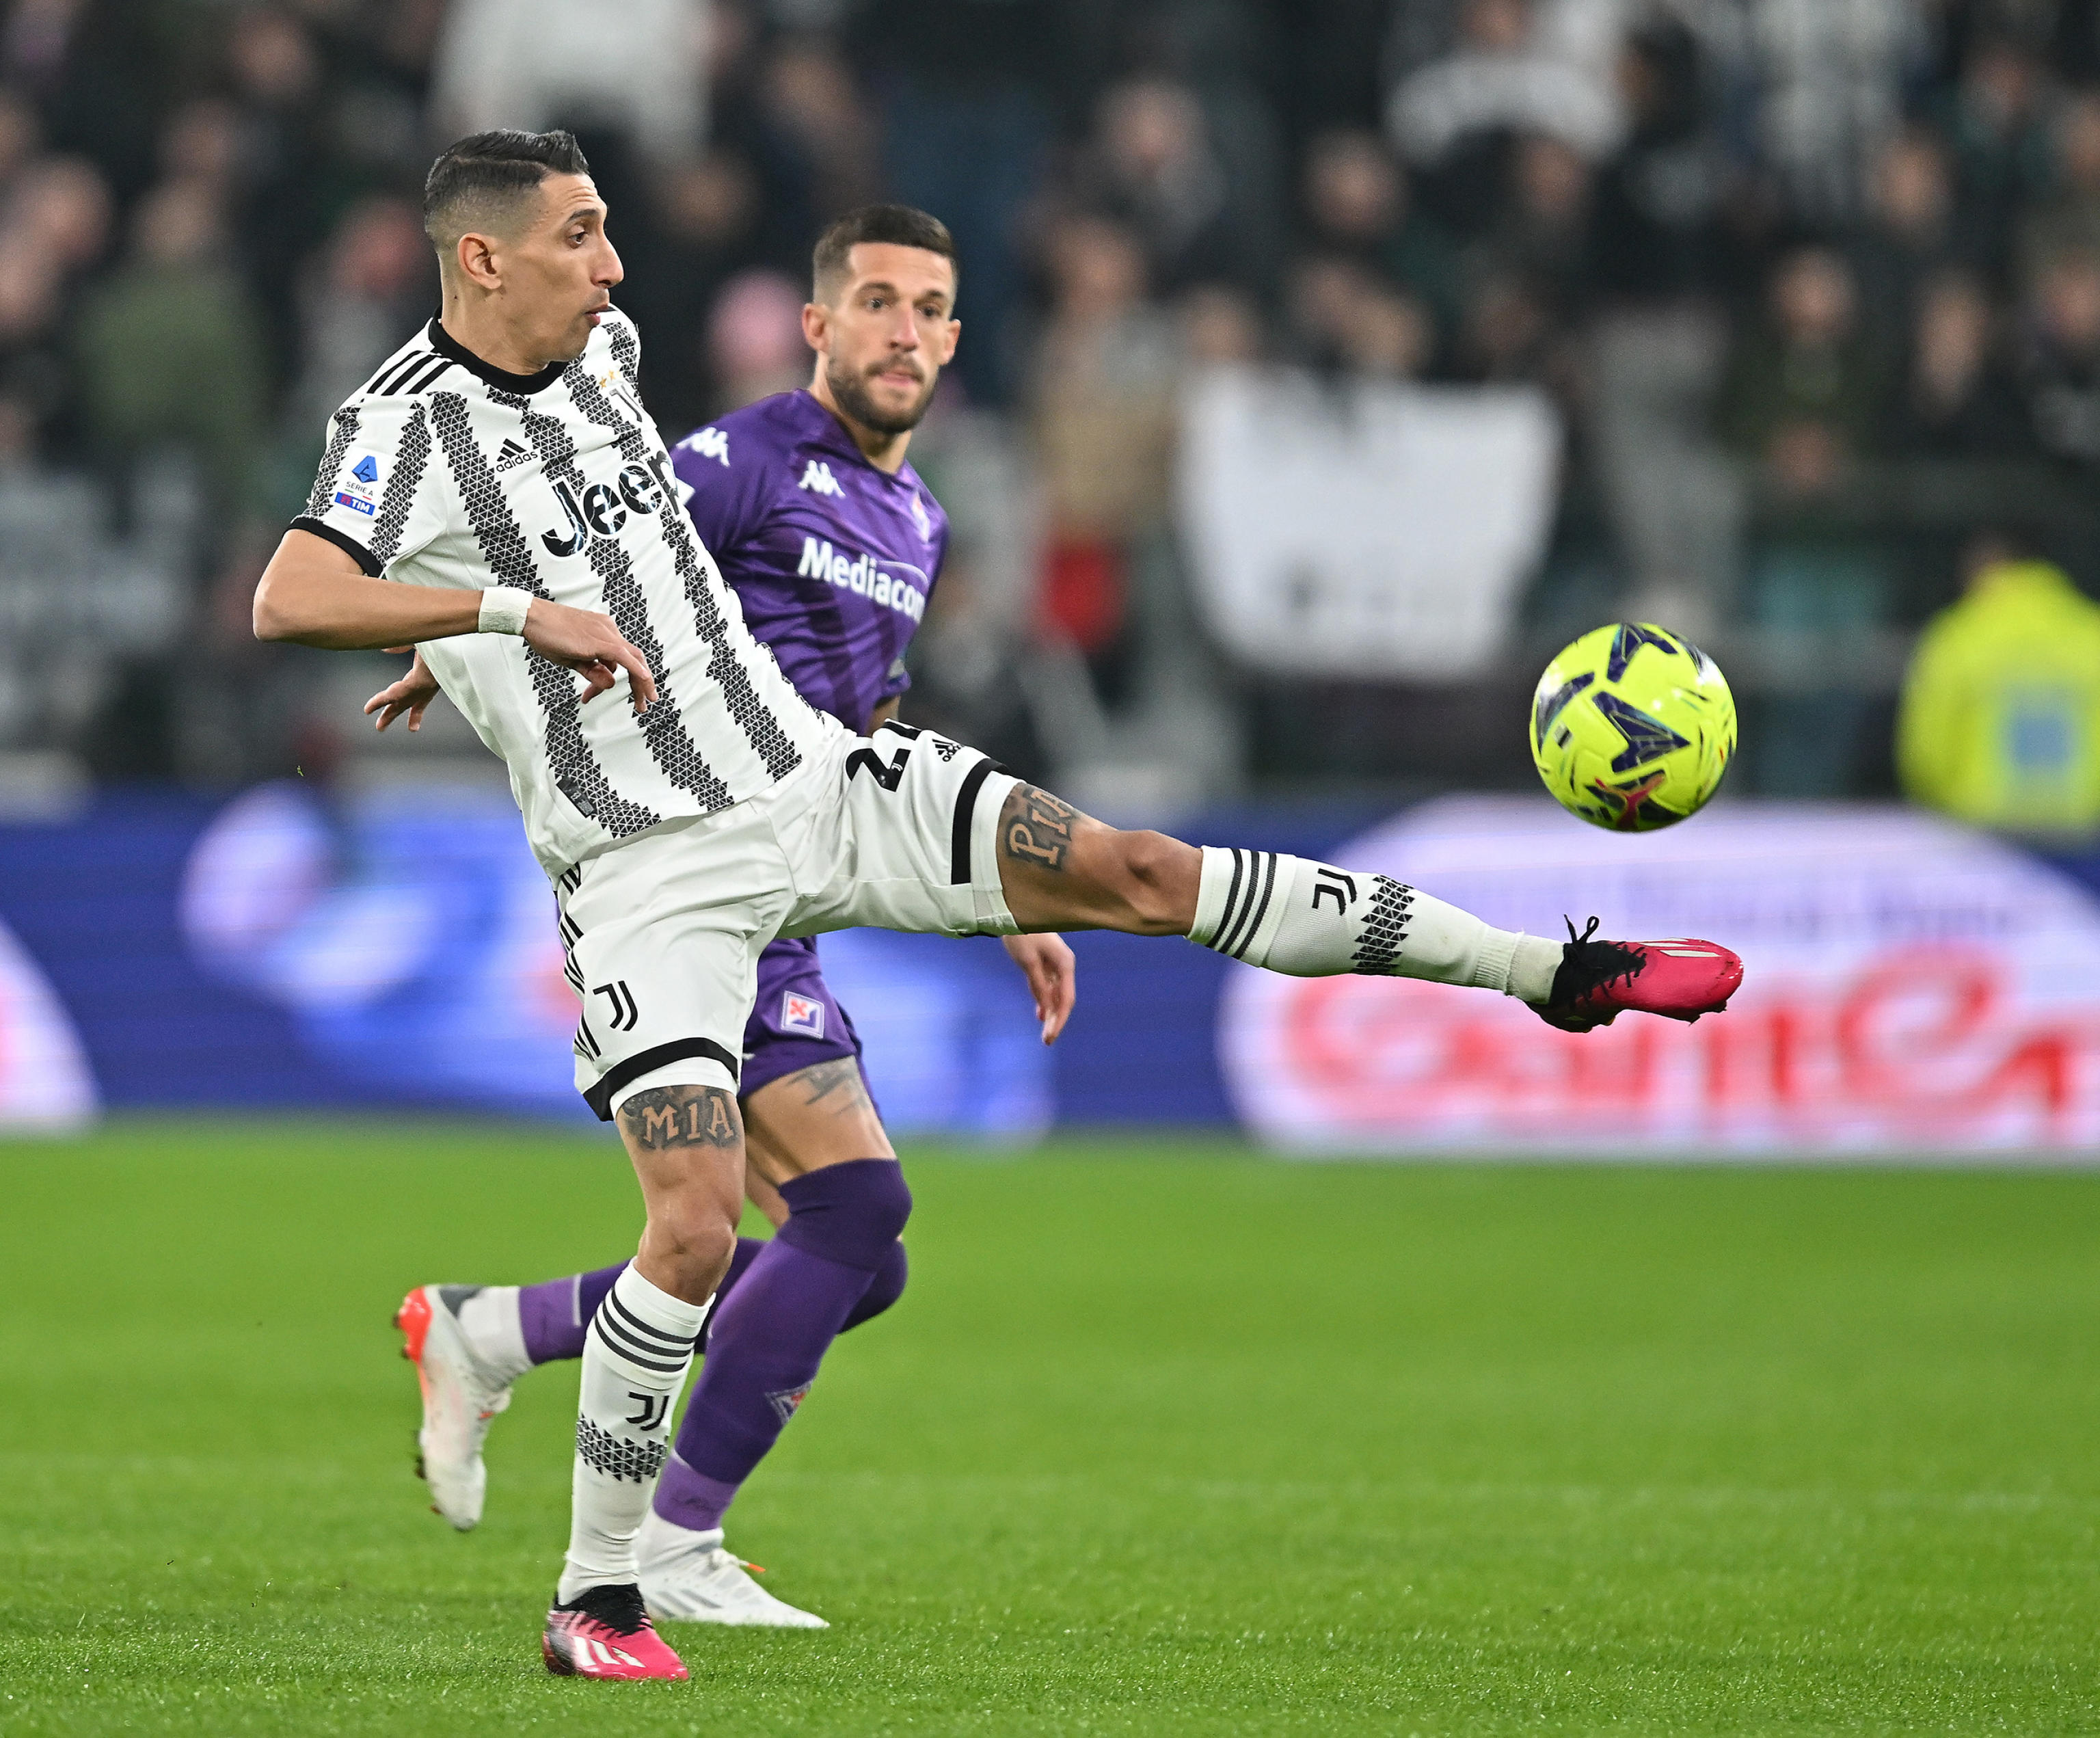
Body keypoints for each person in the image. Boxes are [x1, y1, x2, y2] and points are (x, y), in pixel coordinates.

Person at [253, 129, 1745, 1683]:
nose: (615, 265)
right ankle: (600, 1595)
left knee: (1135, 871)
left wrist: (478, 641)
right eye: (579, 235)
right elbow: (291, 594)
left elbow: (622, 538)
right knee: (697, 1230)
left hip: (817, 777)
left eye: (610, 229)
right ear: (482, 257)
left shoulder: (615, 353)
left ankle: (1548, 967)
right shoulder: (403, 431)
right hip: (655, 875)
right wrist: (496, 619)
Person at [379, 200, 1078, 1632]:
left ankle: (492, 1327)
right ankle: (673, 1538)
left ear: (955, 338)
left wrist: (1001, 887)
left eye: (931, 309)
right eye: (875, 301)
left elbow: (875, 717)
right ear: (819, 326)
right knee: (854, 1209)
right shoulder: (742, 461)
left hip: (803, 861)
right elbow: (593, 561)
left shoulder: (920, 517)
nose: (905, 330)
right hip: (693, 852)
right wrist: (452, 643)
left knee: (855, 1260)